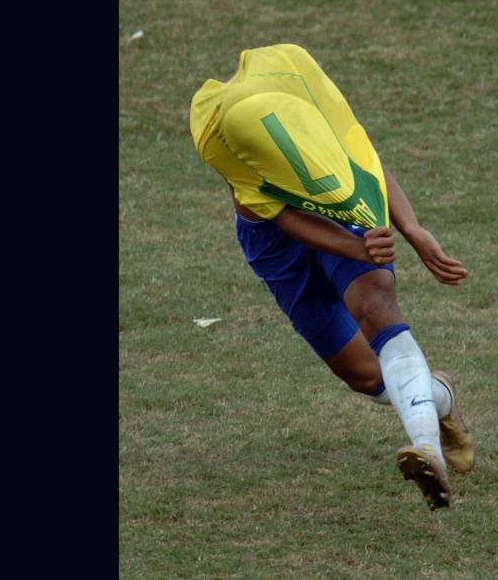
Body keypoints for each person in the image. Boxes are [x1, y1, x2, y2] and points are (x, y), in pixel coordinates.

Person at [189, 43, 473, 510]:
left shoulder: (306, 103)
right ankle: (439, 397)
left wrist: (412, 228)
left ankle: (426, 448)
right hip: (277, 243)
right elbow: (282, 215)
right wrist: (353, 246)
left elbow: (366, 164)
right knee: (363, 376)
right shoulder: (226, 140)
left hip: (347, 217)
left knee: (377, 308)